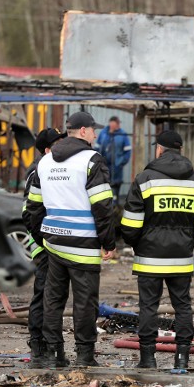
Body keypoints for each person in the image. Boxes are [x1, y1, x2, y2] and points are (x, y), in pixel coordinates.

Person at [26, 111, 116, 367]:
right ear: (84, 131)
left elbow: (33, 207)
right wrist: (108, 241)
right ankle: (85, 356)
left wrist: (42, 237)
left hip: (54, 241)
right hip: (83, 244)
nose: (96, 135)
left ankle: (55, 353)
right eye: (93, 130)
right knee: (85, 301)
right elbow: (102, 206)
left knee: (53, 300)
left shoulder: (45, 162)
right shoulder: (91, 160)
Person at [120, 130, 194, 370]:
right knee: (182, 306)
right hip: (181, 258)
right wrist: (189, 239)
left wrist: (137, 243)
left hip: (149, 257)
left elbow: (130, 224)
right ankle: (182, 358)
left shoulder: (144, 179)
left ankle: (148, 359)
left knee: (148, 308)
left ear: (159, 150)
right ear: (180, 150)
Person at [22, 127, 67, 367]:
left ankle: (51, 346)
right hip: (45, 245)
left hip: (54, 243)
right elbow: (28, 213)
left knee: (54, 296)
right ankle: (39, 345)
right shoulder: (38, 171)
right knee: (43, 295)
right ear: (48, 149)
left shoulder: (54, 168)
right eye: (59, 143)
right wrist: (44, 241)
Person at [95, 116, 132, 205]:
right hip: (104, 165)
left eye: (118, 124)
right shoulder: (103, 134)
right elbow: (97, 148)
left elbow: (128, 150)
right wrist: (99, 161)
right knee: (104, 184)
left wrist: (121, 162)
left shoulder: (122, 134)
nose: (117, 126)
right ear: (111, 123)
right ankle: (105, 203)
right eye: (115, 124)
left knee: (116, 184)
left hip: (117, 166)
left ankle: (115, 204)